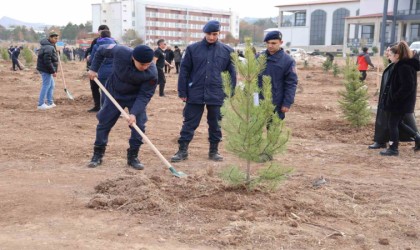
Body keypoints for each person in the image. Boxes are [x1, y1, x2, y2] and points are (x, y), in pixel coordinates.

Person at [171, 20, 236, 162]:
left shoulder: (227, 51)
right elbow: (184, 71)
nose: (211, 37)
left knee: (216, 124)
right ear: (204, 33)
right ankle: (182, 151)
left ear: (219, 33)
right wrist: (182, 91)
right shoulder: (192, 49)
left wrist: (230, 93)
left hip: (217, 94)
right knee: (189, 123)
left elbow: (232, 74)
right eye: (209, 34)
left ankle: (214, 151)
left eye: (215, 34)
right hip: (195, 92)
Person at [87, 44, 158, 170]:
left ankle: (133, 156)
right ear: (133, 58)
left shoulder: (152, 73)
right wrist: (93, 68)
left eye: (148, 64)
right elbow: (100, 50)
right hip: (114, 94)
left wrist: (134, 113)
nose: (145, 67)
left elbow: (145, 95)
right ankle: (98, 154)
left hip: (135, 98)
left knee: (139, 125)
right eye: (142, 64)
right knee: (104, 122)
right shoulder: (120, 51)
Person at [368, 43, 419, 149]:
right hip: (400, 102)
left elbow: (407, 86)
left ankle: (393, 148)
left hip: (399, 103)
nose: (388, 56)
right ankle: (417, 139)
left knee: (393, 123)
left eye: (390, 54)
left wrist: (394, 98)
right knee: (398, 123)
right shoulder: (400, 65)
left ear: (397, 55)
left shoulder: (403, 67)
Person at [258, 30, 298, 120]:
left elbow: (291, 83)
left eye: (273, 43)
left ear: (281, 42)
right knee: (254, 130)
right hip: (258, 101)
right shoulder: (259, 58)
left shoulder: (288, 61)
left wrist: (287, 103)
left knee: (273, 131)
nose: (270, 46)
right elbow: (251, 78)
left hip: (276, 103)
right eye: (267, 43)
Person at [85, 24, 110, 113]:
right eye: (100, 31)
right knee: (95, 87)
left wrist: (89, 59)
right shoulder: (113, 41)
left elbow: (93, 56)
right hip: (102, 69)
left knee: (104, 89)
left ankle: (103, 108)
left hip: (99, 68)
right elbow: (91, 51)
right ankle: (98, 106)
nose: (100, 33)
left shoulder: (98, 42)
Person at [89, 30, 117, 106]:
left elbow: (93, 59)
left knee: (104, 91)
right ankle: (116, 110)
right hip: (115, 71)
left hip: (102, 72)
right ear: (110, 36)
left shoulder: (97, 45)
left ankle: (105, 110)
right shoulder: (116, 45)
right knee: (114, 90)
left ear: (101, 36)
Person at [36, 32, 59, 110]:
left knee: (51, 85)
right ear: (50, 38)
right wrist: (53, 71)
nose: (56, 40)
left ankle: (50, 102)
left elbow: (51, 58)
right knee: (46, 85)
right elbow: (47, 61)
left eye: (57, 38)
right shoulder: (49, 47)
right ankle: (41, 104)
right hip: (45, 69)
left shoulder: (49, 46)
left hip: (46, 69)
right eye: (55, 38)